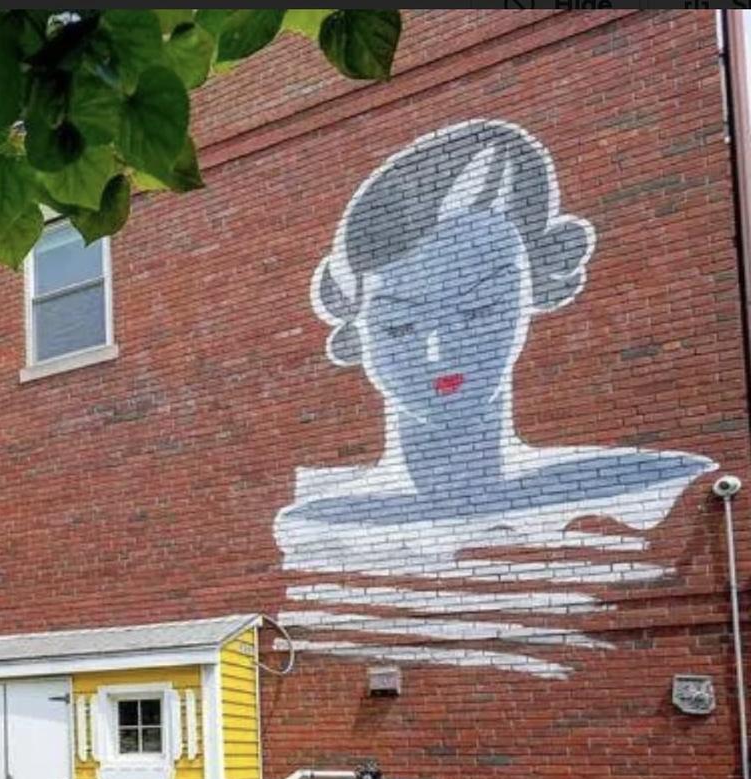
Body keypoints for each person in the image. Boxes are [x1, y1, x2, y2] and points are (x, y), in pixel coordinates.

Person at [276, 119, 713, 579]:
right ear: (356, 329)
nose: (437, 349)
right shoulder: (313, 525)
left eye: (480, 310)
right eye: (400, 325)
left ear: (535, 292)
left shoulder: (661, 489)